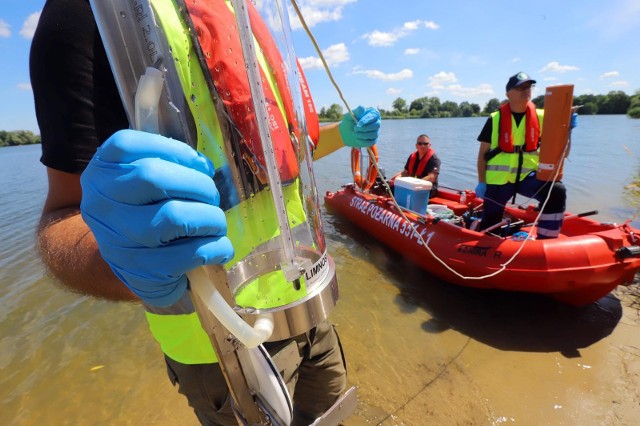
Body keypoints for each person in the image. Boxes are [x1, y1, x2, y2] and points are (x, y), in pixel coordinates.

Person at [30, 1, 380, 425]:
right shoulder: (89, 14)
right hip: (219, 348)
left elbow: (278, 153)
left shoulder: (243, 12)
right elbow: (61, 217)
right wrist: (121, 263)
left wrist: (340, 135)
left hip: (308, 303)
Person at [475, 72, 570, 238]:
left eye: (528, 87)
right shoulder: (495, 119)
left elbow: (563, 152)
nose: (526, 90)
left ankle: (547, 238)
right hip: (499, 180)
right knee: (490, 222)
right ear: (508, 93)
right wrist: (482, 182)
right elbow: (482, 154)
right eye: (520, 87)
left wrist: (567, 130)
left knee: (556, 190)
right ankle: (489, 244)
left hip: (528, 176)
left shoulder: (543, 117)